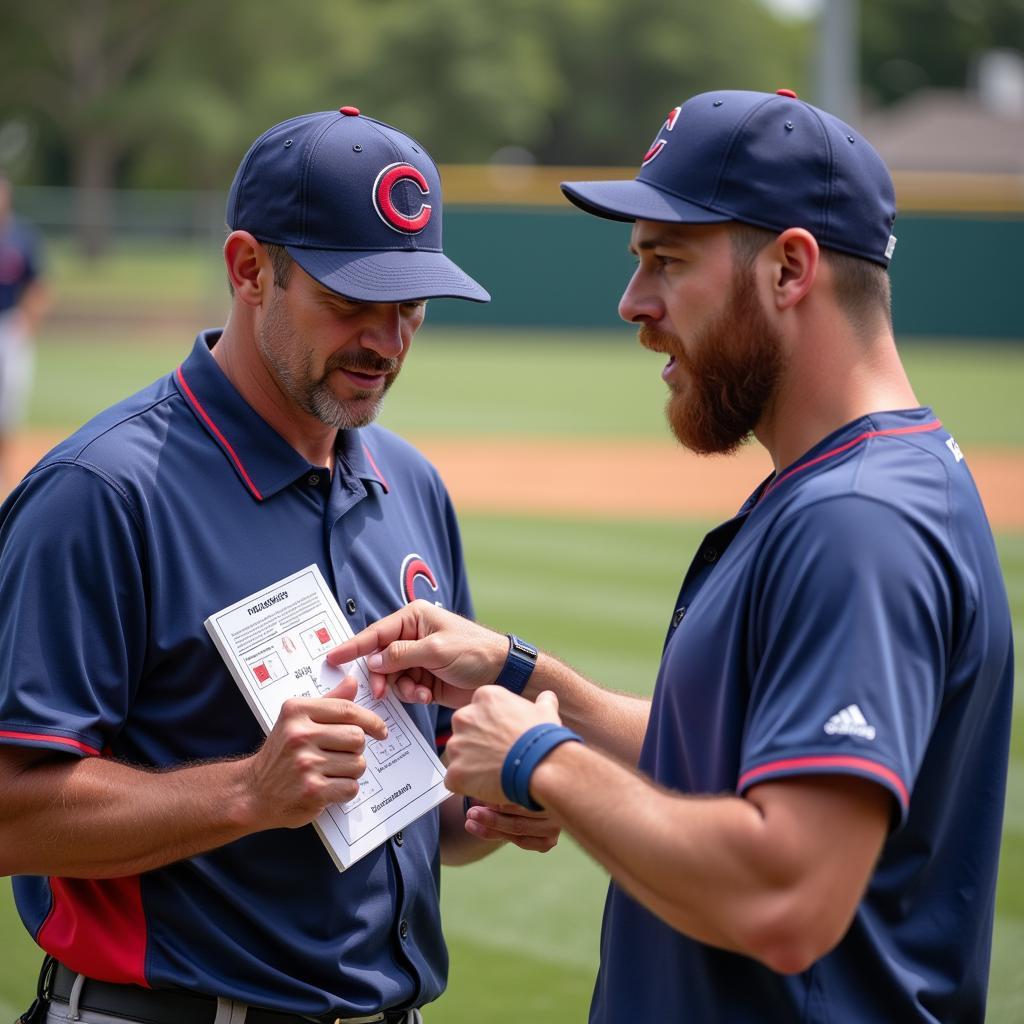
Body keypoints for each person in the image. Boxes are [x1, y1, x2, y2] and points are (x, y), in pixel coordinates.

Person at [328, 90, 1014, 1022]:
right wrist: (527, 675)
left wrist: (541, 757)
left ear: (791, 268)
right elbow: (744, 753)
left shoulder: (859, 521)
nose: (633, 303)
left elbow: (789, 895)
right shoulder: (855, 484)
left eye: (667, 260)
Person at [0, 106, 558, 1024]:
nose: (387, 338)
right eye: (350, 299)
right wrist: (245, 792)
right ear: (249, 269)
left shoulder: (409, 484)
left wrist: (490, 806)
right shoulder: (101, 494)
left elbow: (403, 806)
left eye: (411, 303)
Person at [0, 174, 49, 488]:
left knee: (8, 403)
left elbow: (39, 285)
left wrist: (27, 324)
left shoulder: (21, 237)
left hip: (9, 325)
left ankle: (5, 471)